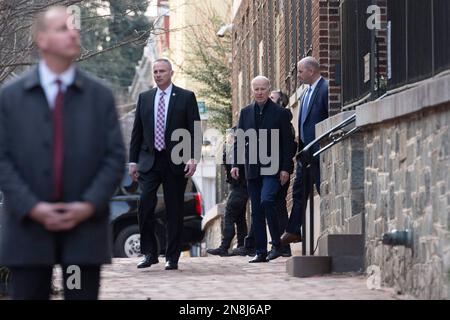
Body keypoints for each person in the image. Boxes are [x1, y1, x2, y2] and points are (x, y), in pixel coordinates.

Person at [0, 7, 125, 300]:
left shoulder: (100, 96)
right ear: (42, 39)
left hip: (83, 234)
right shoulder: (11, 97)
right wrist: (33, 207)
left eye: (74, 27)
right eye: (62, 28)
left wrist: (87, 205)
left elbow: (114, 159)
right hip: (28, 231)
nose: (73, 32)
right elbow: (2, 160)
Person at [129, 58, 201, 271]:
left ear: (171, 73)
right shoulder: (144, 98)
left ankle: (172, 257)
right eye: (155, 71)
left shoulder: (186, 97)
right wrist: (133, 161)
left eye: (162, 71)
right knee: (145, 206)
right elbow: (137, 132)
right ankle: (149, 253)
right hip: (149, 161)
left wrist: (193, 157)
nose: (158, 74)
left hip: (175, 160)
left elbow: (195, 129)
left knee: (174, 210)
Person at [231, 76, 295, 263]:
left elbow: (288, 144)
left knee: (268, 200)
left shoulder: (281, 113)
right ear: (252, 90)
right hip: (253, 168)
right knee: (256, 210)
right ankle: (260, 252)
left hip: (273, 167)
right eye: (256, 89)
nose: (259, 92)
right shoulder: (245, 113)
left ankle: (277, 244)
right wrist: (236, 164)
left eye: (262, 89)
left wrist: (285, 168)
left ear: (268, 89)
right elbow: (240, 140)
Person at [281, 57, 329, 246]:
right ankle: (293, 231)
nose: (298, 75)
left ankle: (328, 228)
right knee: (299, 191)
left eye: (300, 71)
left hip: (317, 152)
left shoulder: (324, 89)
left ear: (311, 71)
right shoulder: (306, 92)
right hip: (305, 153)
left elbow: (327, 117)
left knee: (320, 189)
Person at [207, 127, 249, 257]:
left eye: (230, 136)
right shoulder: (234, 150)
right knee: (240, 218)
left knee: (229, 214)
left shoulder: (239, 151)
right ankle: (242, 246)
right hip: (240, 187)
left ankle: (224, 247)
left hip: (240, 187)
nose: (227, 139)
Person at [269, 90, 295, 257]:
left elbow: (290, 146)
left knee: (277, 205)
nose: (268, 99)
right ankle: (281, 245)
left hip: (279, 169)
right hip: (270, 167)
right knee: (276, 205)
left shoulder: (283, 119)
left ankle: (283, 245)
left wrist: (283, 168)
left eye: (272, 98)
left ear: (280, 103)